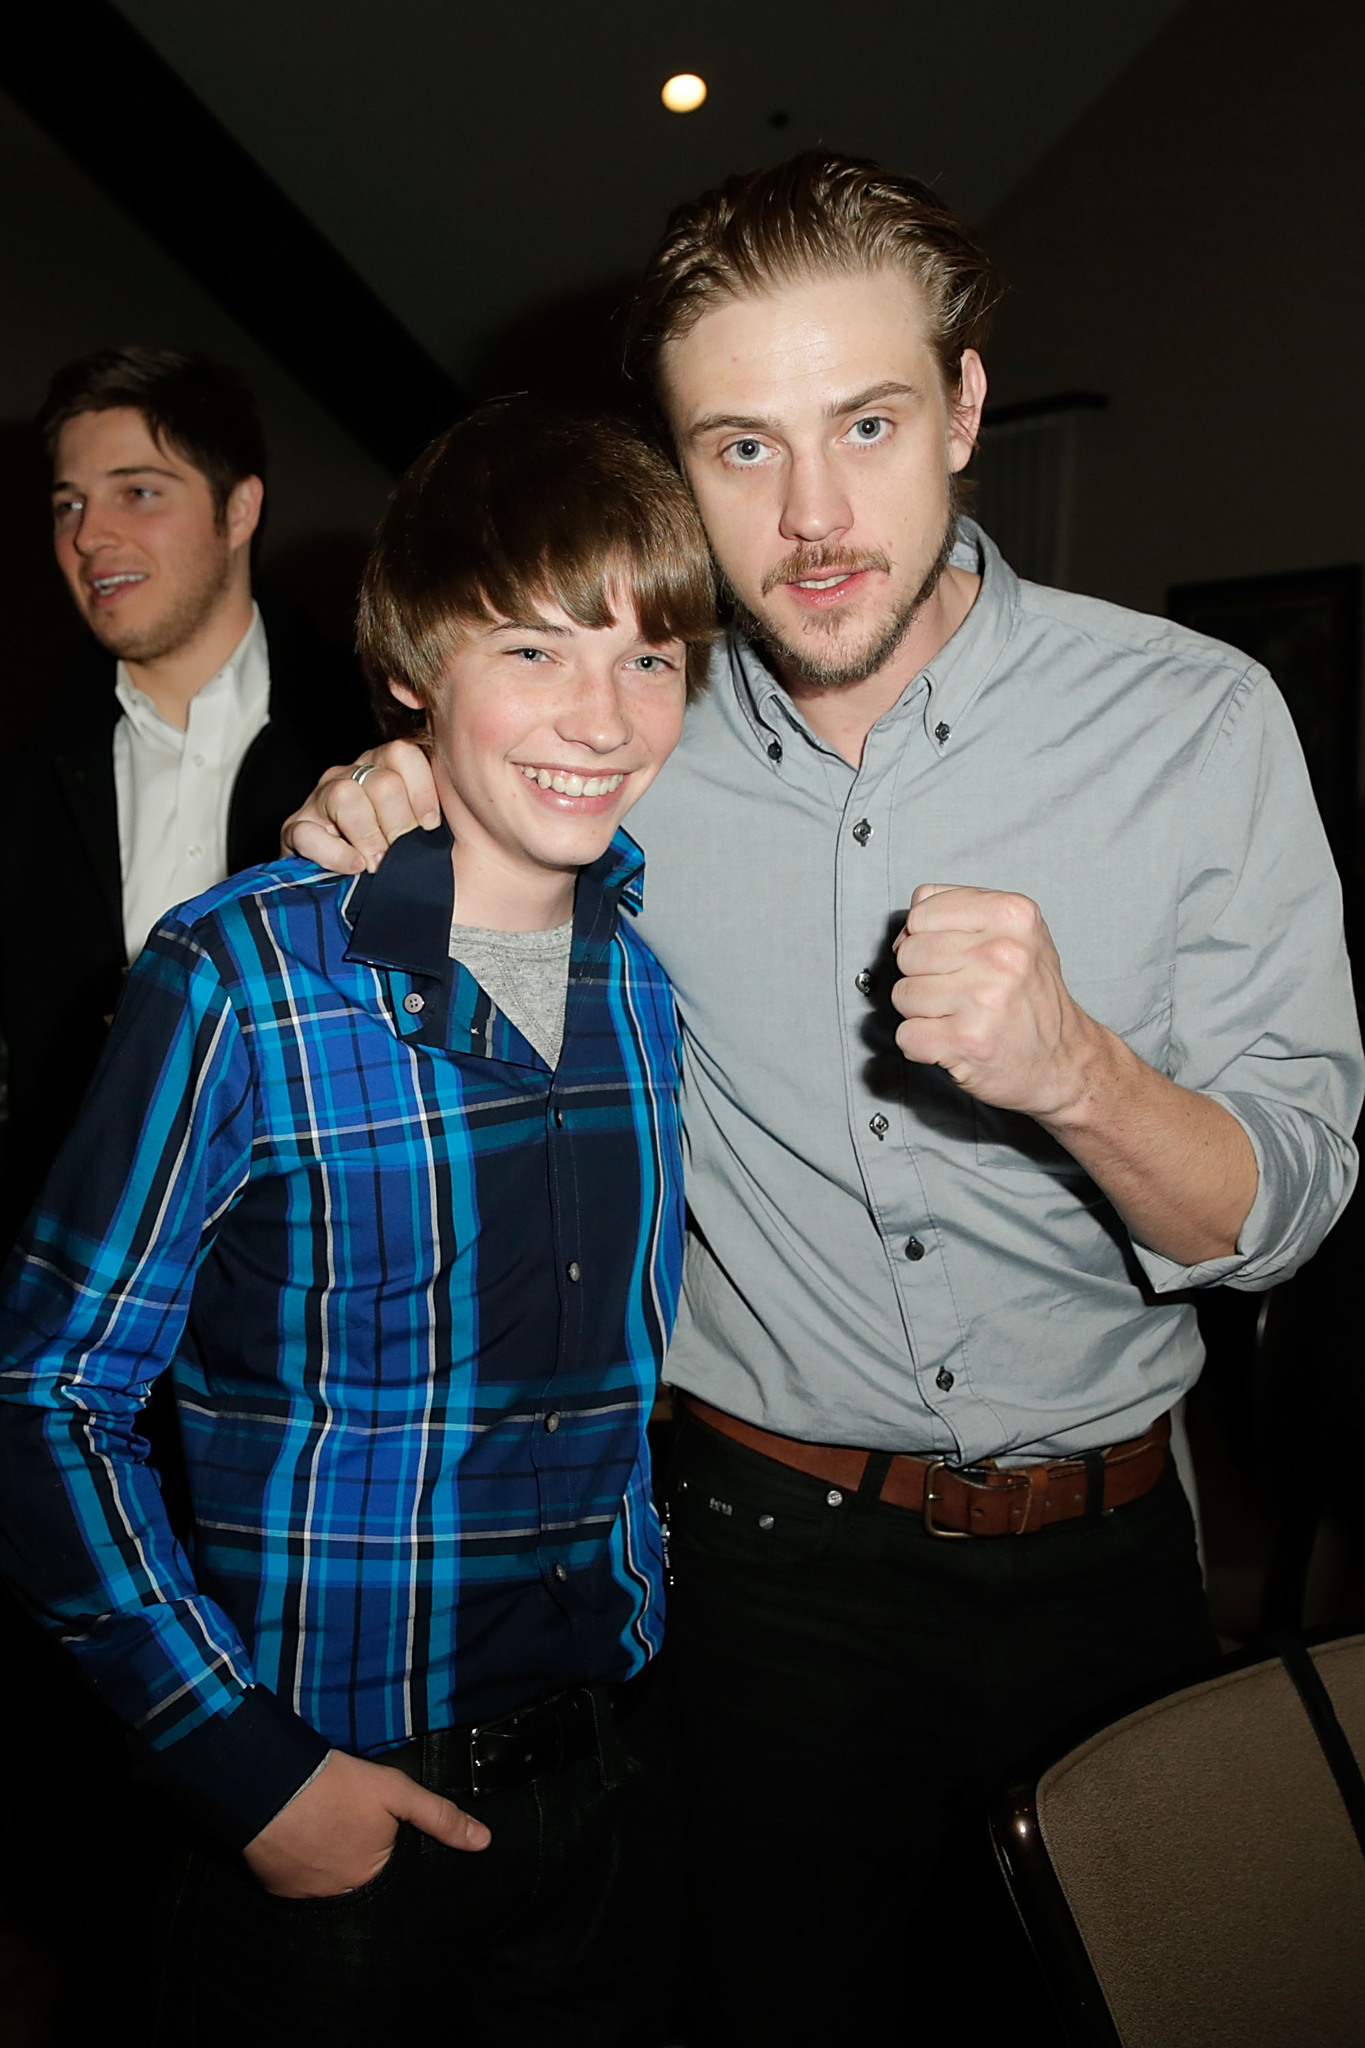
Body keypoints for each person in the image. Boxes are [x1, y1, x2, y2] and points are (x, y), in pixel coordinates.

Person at [285, 153, 1362, 2043]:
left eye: (865, 421)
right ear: (676, 469)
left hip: (1114, 1558)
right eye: (741, 448)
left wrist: (1080, 1074)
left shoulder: (1201, 720)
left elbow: (1279, 1211)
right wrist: (381, 817)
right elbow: (456, 863)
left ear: (962, 405)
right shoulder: (623, 742)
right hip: (762, 1568)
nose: (814, 518)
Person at [0, 396, 716, 2046]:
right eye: (536, 651)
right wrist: (237, 1763)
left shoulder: (646, 995)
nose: (604, 716)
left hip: (608, 1782)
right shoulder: (242, 976)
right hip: (326, 1800)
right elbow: (48, 1392)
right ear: (412, 670)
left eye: (653, 657)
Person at [0, 345, 374, 1243]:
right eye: (68, 504)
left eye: (139, 491)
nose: (89, 535)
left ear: (239, 509)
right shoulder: (21, 774)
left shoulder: (378, 735)